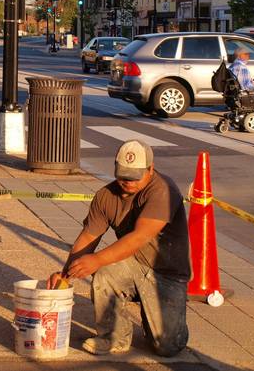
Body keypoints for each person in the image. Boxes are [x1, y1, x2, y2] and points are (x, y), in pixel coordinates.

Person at [48, 140, 190, 357]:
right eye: (123, 176)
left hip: (166, 272)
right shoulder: (105, 196)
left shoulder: (163, 190)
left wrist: (96, 260)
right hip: (133, 263)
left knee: (167, 346)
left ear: (150, 169)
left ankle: (163, 319)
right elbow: (88, 236)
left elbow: (139, 237)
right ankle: (112, 337)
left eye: (135, 177)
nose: (128, 182)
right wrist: (66, 273)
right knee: (105, 274)